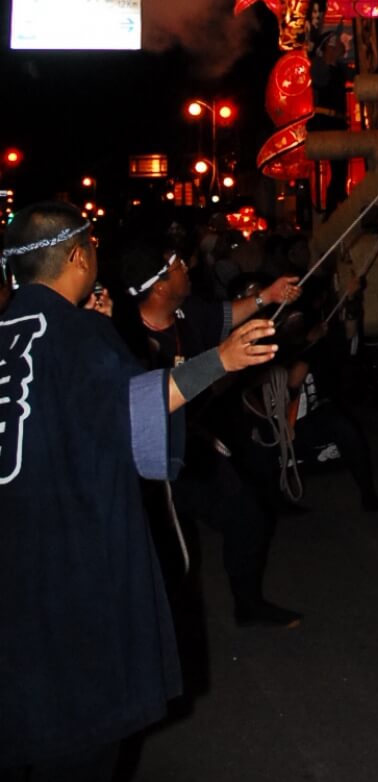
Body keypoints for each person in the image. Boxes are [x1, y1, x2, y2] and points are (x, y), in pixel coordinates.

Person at [0, 201, 278, 782]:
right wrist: (221, 360)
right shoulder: (75, 335)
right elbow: (132, 415)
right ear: (76, 255)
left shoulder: (20, 329)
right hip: (67, 563)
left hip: (13, 557)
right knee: (79, 753)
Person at [116, 233, 304, 629]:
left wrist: (268, 295)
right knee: (163, 552)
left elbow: (226, 314)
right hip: (146, 462)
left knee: (247, 515)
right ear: (160, 285)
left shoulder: (188, 314)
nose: (188, 267)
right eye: (178, 266)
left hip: (193, 446)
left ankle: (248, 605)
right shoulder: (123, 336)